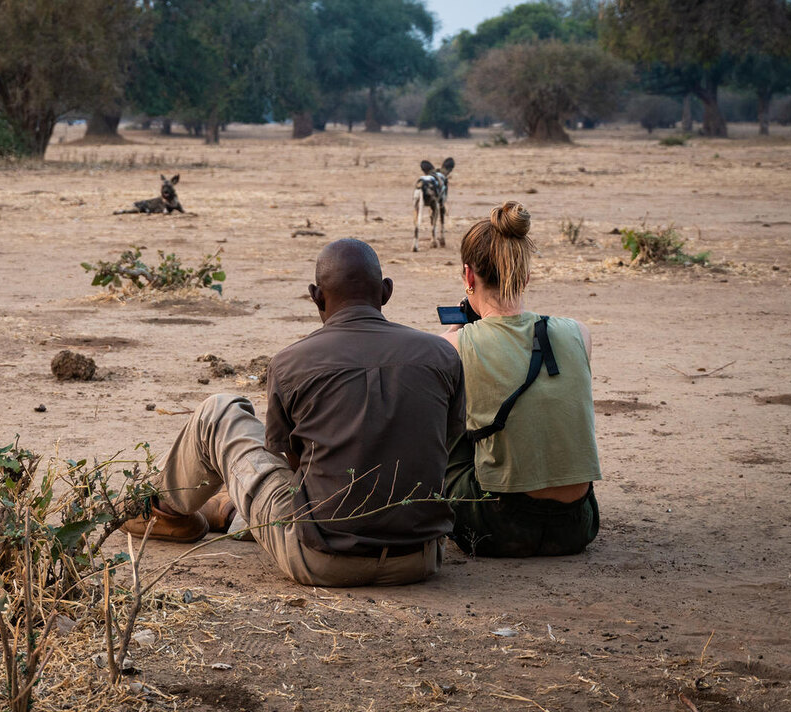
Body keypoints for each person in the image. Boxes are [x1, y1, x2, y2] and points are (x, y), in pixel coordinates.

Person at [123, 238, 465, 587]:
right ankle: (228, 511)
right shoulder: (441, 355)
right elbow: (448, 442)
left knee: (220, 411)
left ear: (316, 296)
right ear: (387, 291)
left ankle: (162, 511)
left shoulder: (291, 363)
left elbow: (290, 465)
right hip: (418, 561)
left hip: (321, 561)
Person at [440, 201, 601, 558]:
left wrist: (454, 335)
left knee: (448, 419)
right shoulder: (579, 333)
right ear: (526, 276)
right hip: (578, 525)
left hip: (496, 528)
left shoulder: (451, 346)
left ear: (469, 277)